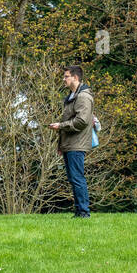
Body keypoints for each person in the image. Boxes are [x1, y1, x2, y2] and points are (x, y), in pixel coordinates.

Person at [48, 66, 93, 218]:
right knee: (74, 178)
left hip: (77, 144)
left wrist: (60, 126)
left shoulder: (83, 97)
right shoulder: (72, 96)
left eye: (66, 76)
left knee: (77, 178)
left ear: (75, 77)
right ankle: (80, 211)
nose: (64, 79)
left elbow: (81, 121)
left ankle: (83, 212)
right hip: (69, 144)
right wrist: (61, 145)